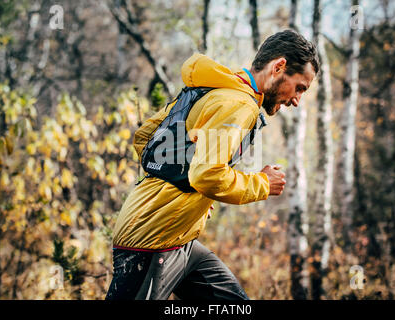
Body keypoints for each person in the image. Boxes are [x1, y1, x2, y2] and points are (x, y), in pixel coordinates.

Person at [105, 29, 319, 300]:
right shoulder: (240, 104)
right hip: (151, 241)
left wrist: (189, 188)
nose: (297, 100)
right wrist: (262, 183)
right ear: (279, 67)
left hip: (180, 240)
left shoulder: (214, 89)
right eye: (299, 87)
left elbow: (145, 137)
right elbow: (207, 175)